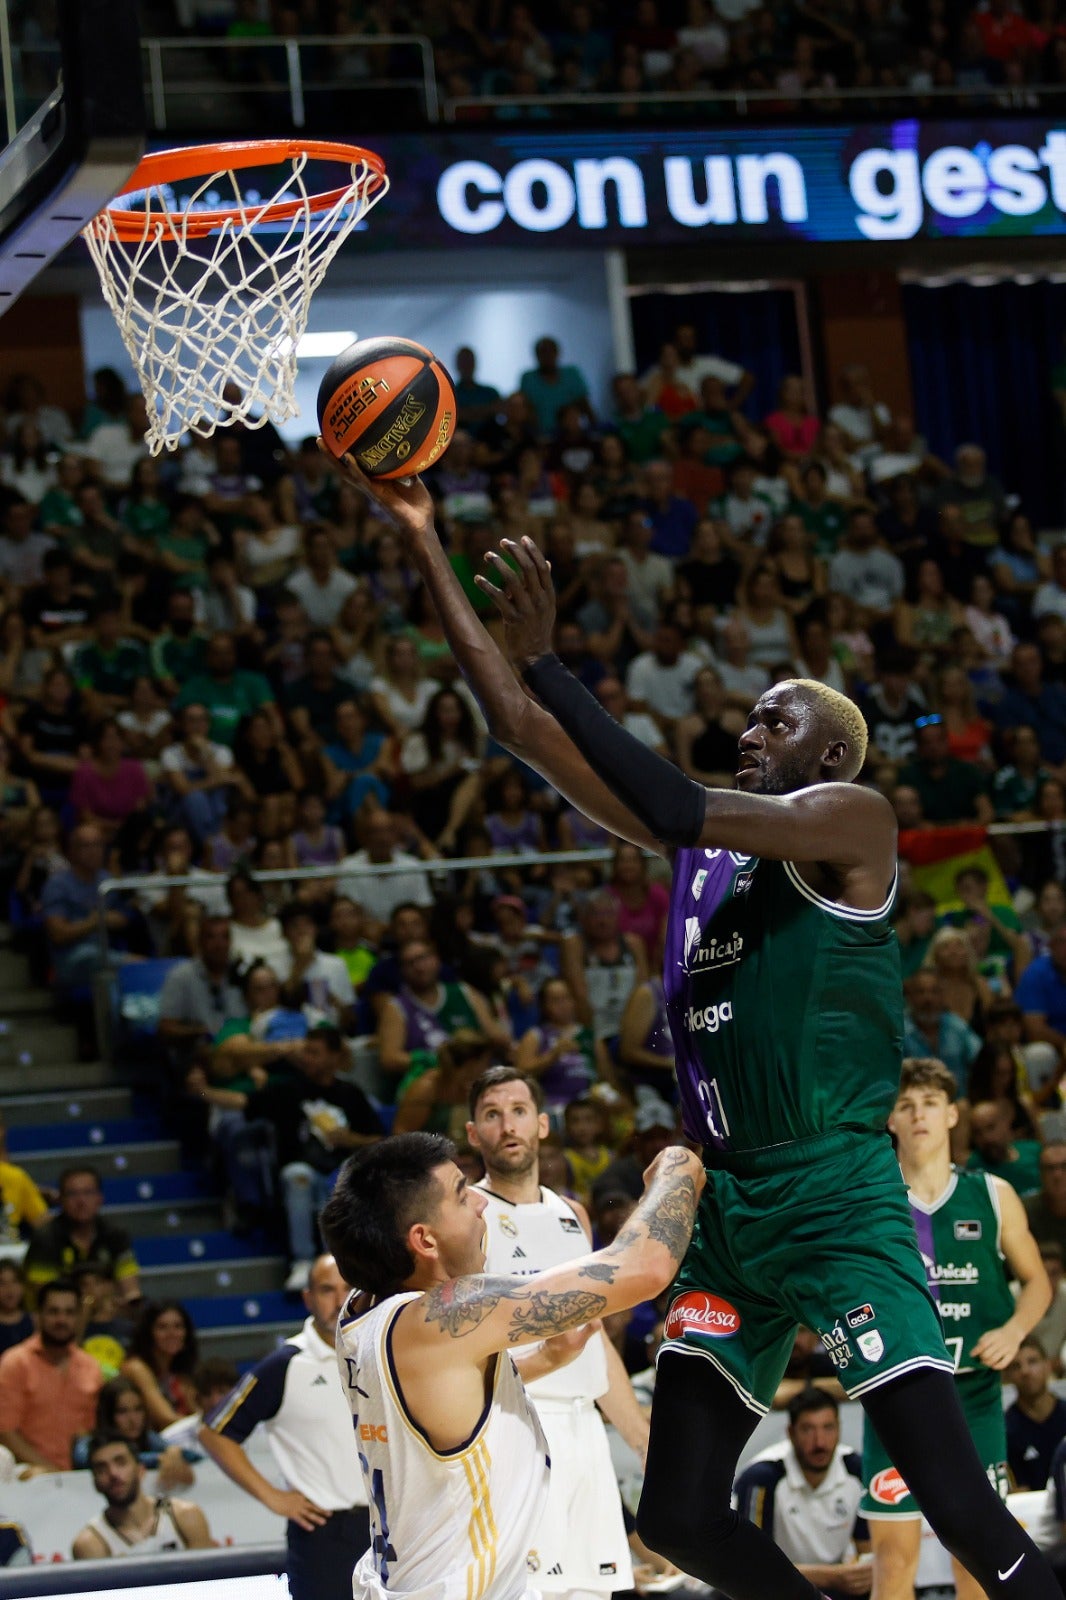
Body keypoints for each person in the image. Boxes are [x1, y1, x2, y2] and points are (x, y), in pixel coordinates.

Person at [336, 462, 1062, 1599]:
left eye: (776, 721)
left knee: (953, 1495)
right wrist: (423, 536)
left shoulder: (851, 823)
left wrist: (552, 660)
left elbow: (665, 794)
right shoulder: (713, 861)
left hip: (833, 1193)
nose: (749, 730)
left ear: (826, 757)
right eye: (751, 716)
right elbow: (521, 729)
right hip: (729, 1202)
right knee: (676, 1508)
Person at [320, 1129, 703, 1600]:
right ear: (423, 1239)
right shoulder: (445, 1315)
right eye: (463, 1197)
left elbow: (446, 1400)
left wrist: (546, 1358)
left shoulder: (360, 1312)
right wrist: (677, 1166)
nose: (482, 1205)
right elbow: (644, 1268)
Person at [861, 1057, 1050, 1600]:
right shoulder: (871, 1199)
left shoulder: (993, 1194)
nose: (918, 1113)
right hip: (896, 1393)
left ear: (951, 1115)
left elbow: (1038, 1282)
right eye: (906, 1104)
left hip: (973, 1393)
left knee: (977, 1559)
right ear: (890, 1119)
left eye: (930, 1103)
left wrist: (1015, 1330)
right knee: (894, 1562)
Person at [469, 1066, 651, 1600]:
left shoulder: (572, 1213)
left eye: (519, 1112)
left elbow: (591, 1336)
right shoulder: (466, 1219)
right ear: (473, 1131)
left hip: (585, 1429)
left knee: (591, 1592)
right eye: (492, 1115)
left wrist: (640, 1435)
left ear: (543, 1125)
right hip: (516, 1424)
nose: (508, 1126)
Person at [200, 1254, 369, 1600]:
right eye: (326, 1290)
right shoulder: (286, 1365)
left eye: (348, 1288)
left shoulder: (380, 1352)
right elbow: (214, 1432)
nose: (339, 1301)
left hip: (388, 1528)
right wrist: (274, 1498)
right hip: (324, 1537)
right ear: (307, 1298)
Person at [733, 1387, 871, 1600]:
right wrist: (831, 1577)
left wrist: (860, 1575)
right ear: (790, 1432)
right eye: (808, 1429)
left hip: (837, 1588)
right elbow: (753, 1567)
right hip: (778, 1589)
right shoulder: (760, 1478)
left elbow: (868, 1555)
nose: (820, 1442)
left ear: (839, 1429)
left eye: (828, 1428)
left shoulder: (858, 1471)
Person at [0, 1278, 103, 1468]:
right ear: (38, 1316)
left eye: (69, 1313)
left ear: (79, 1317)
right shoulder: (15, 1363)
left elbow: (93, 1432)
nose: (61, 1320)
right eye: (53, 1312)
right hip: (26, 1479)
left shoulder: (90, 1367)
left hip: (81, 1479)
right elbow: (5, 1431)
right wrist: (51, 1473)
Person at [72, 1432, 214, 1558]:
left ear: (141, 1470)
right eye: (102, 1468)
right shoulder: (90, 1543)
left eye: (121, 1462)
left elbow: (206, 1584)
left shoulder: (186, 1516)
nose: (113, 1473)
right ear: (95, 1483)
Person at [23, 1164, 141, 1306]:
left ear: (100, 1198)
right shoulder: (45, 1237)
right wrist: (101, 1291)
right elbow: (46, 1297)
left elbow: (131, 1293)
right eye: (72, 1194)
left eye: (88, 1193)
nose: (81, 1201)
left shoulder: (115, 1234)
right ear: (60, 1199)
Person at [1006, 1336, 1066, 1490]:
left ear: (1048, 1366)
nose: (1025, 1371)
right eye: (1016, 1366)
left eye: (1032, 1361)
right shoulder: (1006, 1430)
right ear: (1007, 1375)